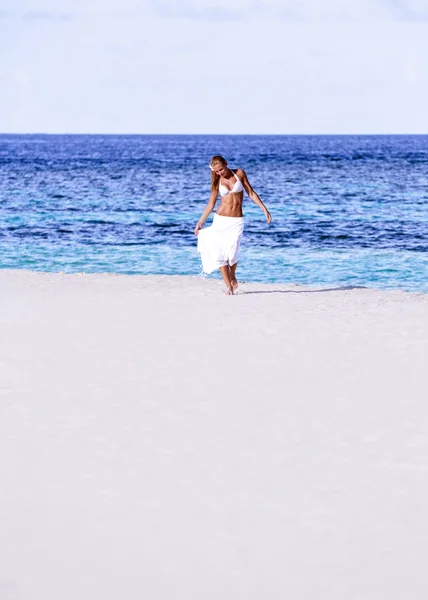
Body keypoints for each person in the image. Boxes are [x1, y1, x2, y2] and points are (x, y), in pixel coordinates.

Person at [194, 155, 272, 295]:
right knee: (220, 254)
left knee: (233, 253)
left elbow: (250, 192)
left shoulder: (239, 174)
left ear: (226, 163)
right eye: (217, 171)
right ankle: (229, 287)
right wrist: (200, 222)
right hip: (220, 220)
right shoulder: (217, 180)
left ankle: (232, 275)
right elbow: (211, 204)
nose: (220, 173)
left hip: (236, 221)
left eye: (221, 169)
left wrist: (264, 209)